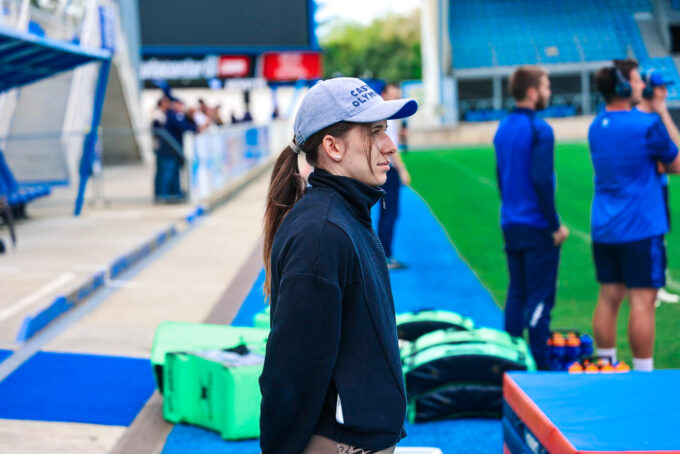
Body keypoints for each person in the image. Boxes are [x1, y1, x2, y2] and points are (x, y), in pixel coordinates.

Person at [260, 77, 418, 453]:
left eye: (385, 130)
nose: (390, 145)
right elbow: (290, 374)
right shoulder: (321, 235)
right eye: (375, 132)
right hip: (340, 443)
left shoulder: (345, 214)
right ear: (332, 147)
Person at [588, 59, 680, 371]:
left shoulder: (596, 126)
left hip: (605, 227)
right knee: (642, 301)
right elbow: (676, 163)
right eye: (637, 80)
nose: (643, 85)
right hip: (640, 227)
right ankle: (643, 372)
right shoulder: (646, 125)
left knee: (608, 297)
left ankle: (605, 364)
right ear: (624, 87)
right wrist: (662, 111)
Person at [493, 66, 569, 370]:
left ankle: (511, 364)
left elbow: (501, 177)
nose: (550, 93)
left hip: (511, 222)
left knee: (516, 293)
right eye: (547, 87)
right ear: (533, 91)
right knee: (540, 297)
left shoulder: (503, 127)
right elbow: (541, 180)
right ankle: (541, 367)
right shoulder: (540, 129)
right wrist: (555, 225)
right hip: (536, 225)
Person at [636, 70, 680, 305]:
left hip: (660, 186)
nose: (664, 92)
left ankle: (657, 284)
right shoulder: (643, 120)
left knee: (659, 236)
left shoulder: (658, 119)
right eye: (660, 88)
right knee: (647, 237)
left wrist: (663, 113)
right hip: (645, 189)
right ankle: (650, 286)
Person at [378, 83, 411, 269]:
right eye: (393, 96)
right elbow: (391, 148)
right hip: (387, 170)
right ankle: (385, 256)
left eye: (398, 96)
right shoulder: (385, 117)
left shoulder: (389, 117)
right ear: (383, 94)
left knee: (387, 212)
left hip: (384, 169)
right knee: (389, 212)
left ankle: (382, 254)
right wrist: (402, 169)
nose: (396, 100)